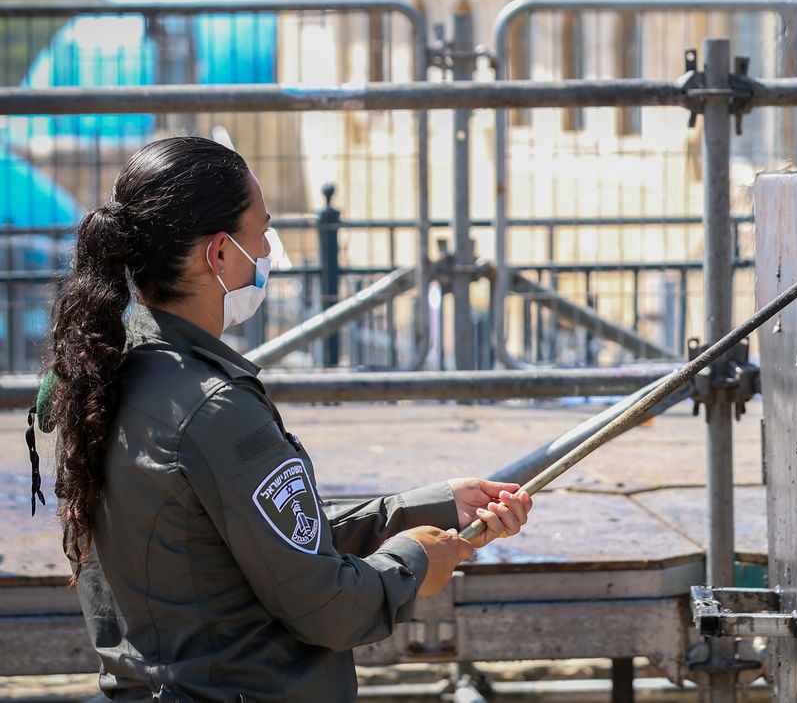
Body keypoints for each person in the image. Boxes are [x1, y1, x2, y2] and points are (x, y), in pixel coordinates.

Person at [33, 137, 531, 701]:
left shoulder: (119, 371)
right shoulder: (214, 409)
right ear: (218, 254)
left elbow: (254, 541)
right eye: (261, 230)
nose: (269, 246)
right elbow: (330, 608)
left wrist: (428, 506)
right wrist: (416, 560)